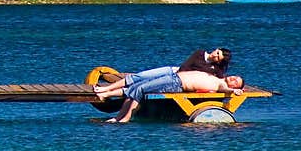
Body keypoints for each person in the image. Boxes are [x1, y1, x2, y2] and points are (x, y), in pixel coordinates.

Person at [106, 70, 245, 123]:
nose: (233, 78)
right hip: (173, 77)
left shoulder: (221, 85)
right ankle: (119, 116)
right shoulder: (218, 78)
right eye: (235, 76)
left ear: (234, 87)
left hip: (175, 83)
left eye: (235, 82)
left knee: (141, 89)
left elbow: (226, 90)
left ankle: (126, 117)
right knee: (135, 87)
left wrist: (234, 92)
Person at [94, 47, 231, 98]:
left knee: (143, 85)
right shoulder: (200, 54)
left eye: (218, 58)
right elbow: (185, 66)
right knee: (140, 77)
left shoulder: (215, 70)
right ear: (216, 49)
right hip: (173, 72)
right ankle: (106, 88)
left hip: (178, 82)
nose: (215, 56)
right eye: (217, 53)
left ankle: (107, 94)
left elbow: (219, 82)